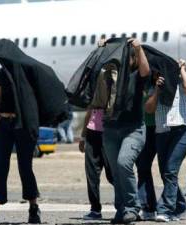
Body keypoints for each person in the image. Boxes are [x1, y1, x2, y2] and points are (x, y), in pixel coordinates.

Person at [0, 68, 41, 225]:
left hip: (23, 125)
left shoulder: (27, 71)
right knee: (0, 168)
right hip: (3, 124)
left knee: (25, 167)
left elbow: (34, 99)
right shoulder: (2, 72)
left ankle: (33, 208)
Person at [101, 38, 150, 224]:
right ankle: (121, 209)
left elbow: (145, 71)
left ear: (132, 60)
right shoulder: (109, 76)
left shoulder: (136, 76)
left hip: (133, 129)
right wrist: (102, 49)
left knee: (123, 164)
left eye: (125, 59)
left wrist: (138, 49)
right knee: (116, 172)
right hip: (110, 130)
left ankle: (132, 207)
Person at [146, 59, 186, 222]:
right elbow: (149, 109)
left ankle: (165, 209)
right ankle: (180, 205)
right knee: (166, 173)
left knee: (170, 171)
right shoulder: (156, 86)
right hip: (162, 131)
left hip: (182, 130)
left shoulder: (181, 80)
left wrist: (181, 70)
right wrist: (157, 90)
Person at [79, 107, 113, 220]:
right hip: (92, 132)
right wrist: (83, 136)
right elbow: (89, 110)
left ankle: (128, 204)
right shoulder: (95, 90)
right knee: (92, 173)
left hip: (110, 131)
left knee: (112, 175)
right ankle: (95, 209)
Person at [135, 76, 158, 221]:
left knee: (166, 171)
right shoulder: (138, 83)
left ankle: (149, 207)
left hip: (155, 128)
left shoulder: (158, 85)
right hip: (141, 128)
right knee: (143, 168)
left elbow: (149, 109)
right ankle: (147, 207)